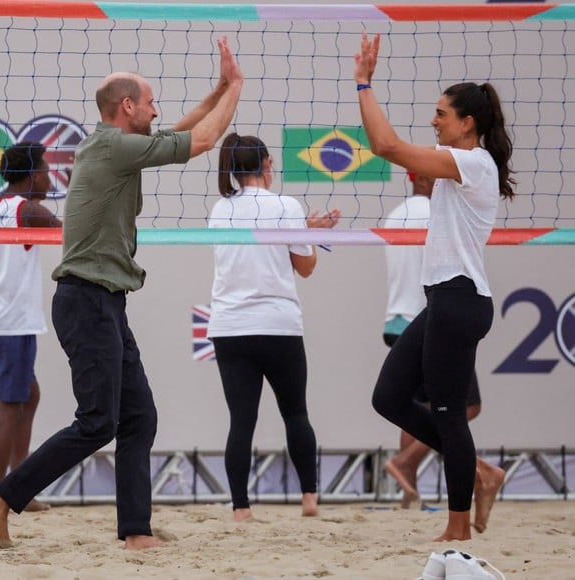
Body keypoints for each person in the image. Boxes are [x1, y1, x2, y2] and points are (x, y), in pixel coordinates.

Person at [0, 36, 244, 550]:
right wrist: (237, 87)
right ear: (127, 107)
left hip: (104, 303)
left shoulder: (114, 148)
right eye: (149, 102)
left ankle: (135, 532)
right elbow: (204, 142)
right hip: (86, 301)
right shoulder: (111, 146)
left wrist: (218, 89)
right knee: (98, 422)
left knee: (139, 417)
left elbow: (181, 131)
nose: (156, 110)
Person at [356, 32, 510, 541]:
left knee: (449, 414)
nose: (434, 119)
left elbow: (385, 146)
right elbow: (396, 149)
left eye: (442, 113)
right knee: (389, 397)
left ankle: (458, 530)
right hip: (444, 301)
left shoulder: (472, 163)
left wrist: (363, 83)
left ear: (468, 123)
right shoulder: (456, 163)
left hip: (460, 300)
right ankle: (483, 473)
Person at [207, 133, 341, 522]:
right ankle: (310, 500)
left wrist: (301, 228)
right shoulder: (286, 206)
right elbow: (306, 267)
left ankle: (240, 509)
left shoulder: (220, 209)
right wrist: (308, 232)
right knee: (295, 413)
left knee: (241, 420)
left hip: (231, 325)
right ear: (266, 163)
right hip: (278, 324)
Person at [382, 172, 483, 509]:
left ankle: (408, 490)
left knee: (410, 406)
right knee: (465, 406)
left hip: (396, 319)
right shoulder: (437, 214)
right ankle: (406, 463)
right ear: (427, 179)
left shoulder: (394, 215)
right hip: (428, 317)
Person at [0, 142, 62, 511]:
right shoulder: (31, 211)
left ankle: (20, 486)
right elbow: (75, 236)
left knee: (30, 395)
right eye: (45, 169)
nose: (50, 176)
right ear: (33, 174)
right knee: (10, 407)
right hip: (10, 324)